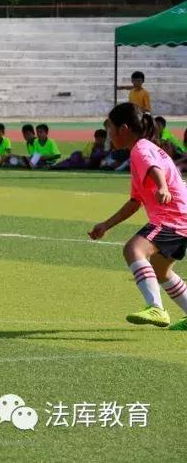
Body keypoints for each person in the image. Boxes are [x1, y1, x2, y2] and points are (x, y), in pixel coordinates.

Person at [88, 103, 187, 331]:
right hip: (181, 216)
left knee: (134, 250)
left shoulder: (140, 150)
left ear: (123, 128)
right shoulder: (144, 149)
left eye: (110, 128)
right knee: (161, 270)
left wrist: (162, 187)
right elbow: (135, 202)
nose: (108, 134)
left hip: (172, 216)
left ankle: (156, 308)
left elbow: (155, 170)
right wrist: (106, 224)